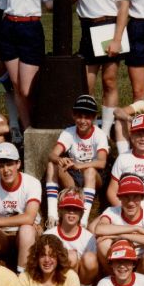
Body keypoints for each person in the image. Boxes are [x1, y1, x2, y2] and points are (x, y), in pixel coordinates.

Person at [72, 0, 132, 134]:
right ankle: (87, 129)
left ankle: (105, 131)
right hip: (87, 27)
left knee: (109, 81)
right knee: (85, 85)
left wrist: (117, 39)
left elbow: (124, 6)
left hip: (109, 26)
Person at [0, 0, 52, 131]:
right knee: (16, 85)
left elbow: (50, 4)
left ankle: (39, 122)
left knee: (28, 89)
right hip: (9, 29)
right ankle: (27, 130)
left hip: (31, 29)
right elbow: (3, 6)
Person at [0, 142, 42, 274]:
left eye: (10, 164)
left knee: (26, 229)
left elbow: (29, 218)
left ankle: (22, 275)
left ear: (18, 164)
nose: (6, 170)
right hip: (2, 235)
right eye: (1, 166)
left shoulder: (32, 182)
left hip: (28, 233)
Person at [47, 95, 109, 227]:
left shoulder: (99, 134)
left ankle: (83, 221)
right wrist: (60, 159)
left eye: (87, 117)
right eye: (79, 116)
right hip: (73, 175)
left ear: (94, 118)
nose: (83, 120)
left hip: (93, 176)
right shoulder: (69, 132)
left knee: (90, 171)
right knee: (52, 164)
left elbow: (102, 162)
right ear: (73, 116)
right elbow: (52, 154)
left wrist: (80, 165)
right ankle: (52, 216)